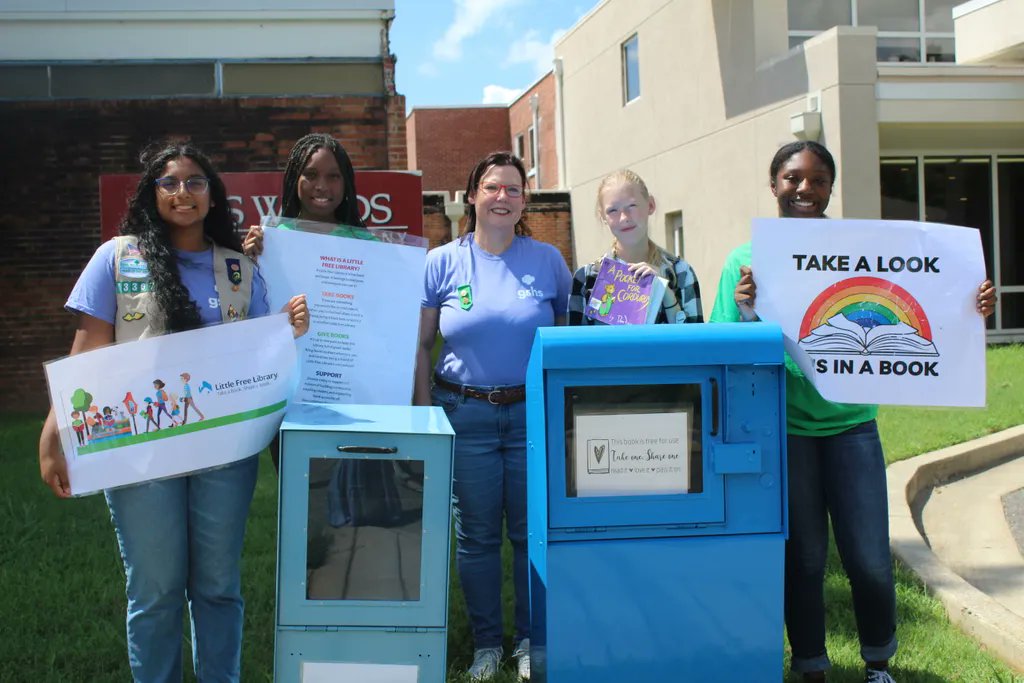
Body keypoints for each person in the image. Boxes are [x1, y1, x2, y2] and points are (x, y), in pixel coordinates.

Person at [709, 140, 997, 683]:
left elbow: (929, 293)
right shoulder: (742, 261)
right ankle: (811, 664)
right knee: (805, 560)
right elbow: (722, 344)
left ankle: (878, 662)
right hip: (786, 431)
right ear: (774, 185)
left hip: (852, 428)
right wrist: (745, 306)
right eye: (793, 178)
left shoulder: (862, 246)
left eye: (818, 180)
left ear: (830, 189)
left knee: (867, 556)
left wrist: (971, 304)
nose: (804, 190)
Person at [38, 140, 309, 683]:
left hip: (224, 456)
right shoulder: (117, 257)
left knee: (216, 586)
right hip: (140, 452)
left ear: (213, 196)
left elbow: (257, 352)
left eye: (195, 182)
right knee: (156, 590)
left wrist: (286, 329)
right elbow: (87, 350)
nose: (182, 192)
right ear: (152, 193)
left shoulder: (238, 269)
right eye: (170, 182)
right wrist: (54, 434)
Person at [413, 151, 572, 681]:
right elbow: (420, 346)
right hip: (465, 414)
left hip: (530, 416)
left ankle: (529, 640)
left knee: (531, 534)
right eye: (492, 187)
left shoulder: (548, 260)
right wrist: (423, 416)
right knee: (478, 537)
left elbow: (570, 341)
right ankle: (487, 645)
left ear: (524, 200)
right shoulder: (441, 262)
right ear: (471, 196)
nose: (502, 197)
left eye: (513, 189)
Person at [242, 132, 365, 471]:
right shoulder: (270, 243)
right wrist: (247, 262)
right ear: (294, 179)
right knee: (298, 496)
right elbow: (247, 315)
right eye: (310, 174)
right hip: (288, 394)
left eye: (333, 176)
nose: (321, 185)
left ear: (346, 183)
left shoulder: (370, 245)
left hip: (353, 393)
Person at [567, 169, 703, 325]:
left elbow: (693, 344)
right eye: (613, 210)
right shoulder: (586, 279)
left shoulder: (681, 273)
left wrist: (665, 293)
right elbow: (575, 347)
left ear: (650, 205)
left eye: (632, 206)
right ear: (603, 217)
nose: (624, 217)